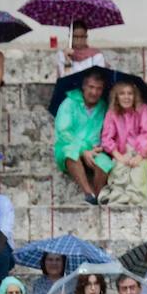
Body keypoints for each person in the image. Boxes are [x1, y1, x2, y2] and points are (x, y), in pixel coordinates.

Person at [54, 69, 111, 205]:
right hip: (70, 145)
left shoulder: (104, 107)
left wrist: (98, 148)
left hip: (94, 150)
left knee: (104, 163)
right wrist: (83, 150)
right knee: (71, 153)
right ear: (84, 86)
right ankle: (88, 193)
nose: (94, 92)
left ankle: (98, 196)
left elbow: (107, 132)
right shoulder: (69, 103)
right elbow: (63, 132)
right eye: (91, 87)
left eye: (99, 88)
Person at [99, 80, 147, 207]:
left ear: (135, 95)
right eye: (122, 93)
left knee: (140, 169)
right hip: (121, 153)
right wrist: (119, 156)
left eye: (130, 93)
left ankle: (137, 200)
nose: (126, 97)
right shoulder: (112, 113)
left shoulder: (143, 109)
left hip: (141, 153)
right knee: (119, 169)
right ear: (116, 96)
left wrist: (139, 156)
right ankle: (120, 197)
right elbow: (107, 138)